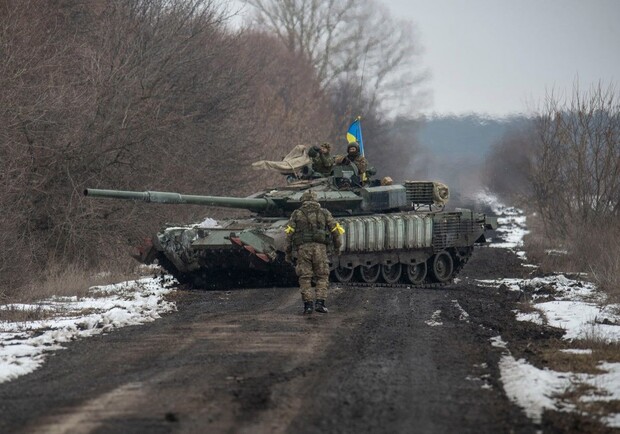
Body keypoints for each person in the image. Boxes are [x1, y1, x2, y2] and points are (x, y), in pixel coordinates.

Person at [285, 190, 344, 314]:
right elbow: (335, 230)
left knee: (305, 277)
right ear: (316, 200)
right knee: (322, 276)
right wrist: (338, 247)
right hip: (320, 249)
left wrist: (288, 252)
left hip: (303, 250)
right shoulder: (324, 212)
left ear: (303, 200)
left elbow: (289, 234)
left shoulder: (297, 214)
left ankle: (308, 306)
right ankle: (320, 303)